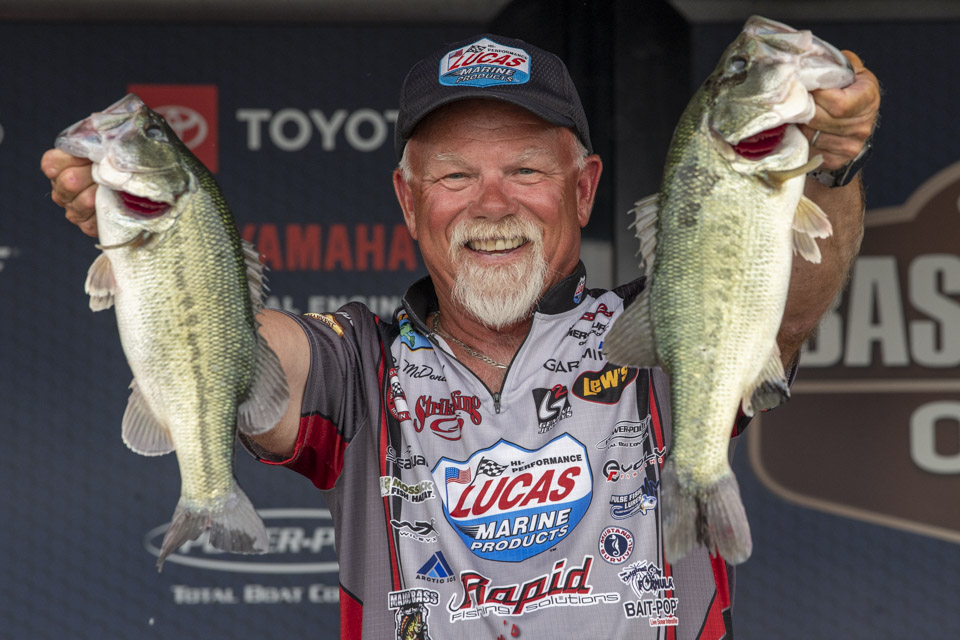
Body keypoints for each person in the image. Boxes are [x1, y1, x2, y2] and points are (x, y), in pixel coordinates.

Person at [42, 31, 880, 640]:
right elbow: (246, 353)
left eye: (525, 170)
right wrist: (161, 252)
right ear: (409, 203)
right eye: (454, 176)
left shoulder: (661, 326)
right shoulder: (358, 365)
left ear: (583, 190)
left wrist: (831, 168)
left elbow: (790, 305)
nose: (492, 204)